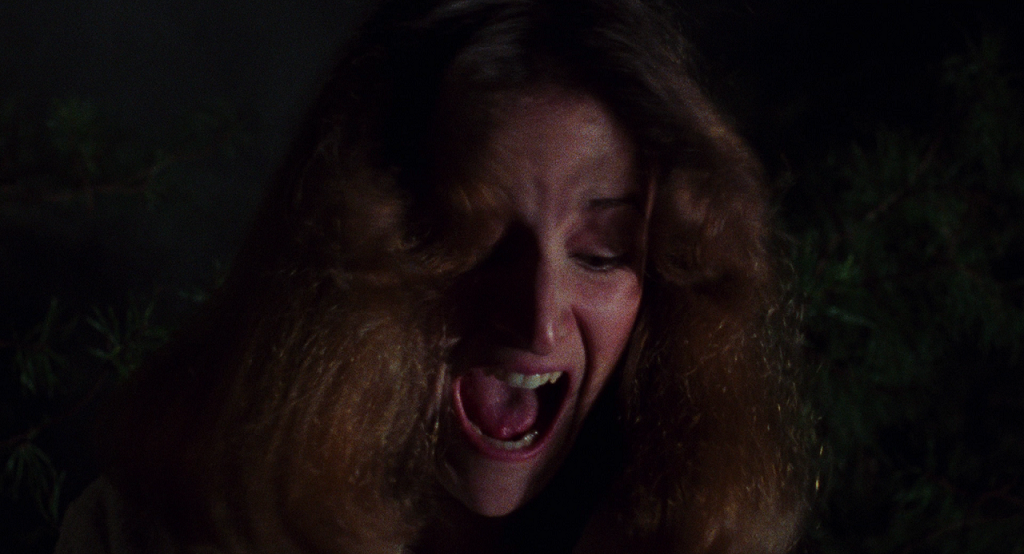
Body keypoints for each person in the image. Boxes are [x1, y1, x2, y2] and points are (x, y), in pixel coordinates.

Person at [56, 0, 813, 552]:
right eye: (469, 239)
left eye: (602, 252)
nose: (538, 317)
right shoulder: (146, 532)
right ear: (351, 257)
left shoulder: (696, 535)